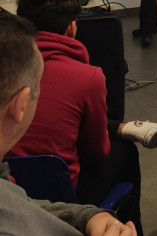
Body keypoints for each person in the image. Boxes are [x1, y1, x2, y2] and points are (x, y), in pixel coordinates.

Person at [9, 0, 157, 236]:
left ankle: (121, 127)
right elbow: (97, 153)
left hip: (10, 185)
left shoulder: (8, 70)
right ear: (72, 28)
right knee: (126, 150)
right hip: (66, 193)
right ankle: (131, 226)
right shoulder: (88, 77)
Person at [0, 13, 137, 236]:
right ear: (21, 104)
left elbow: (19, 203)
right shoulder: (89, 76)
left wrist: (87, 216)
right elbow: (97, 152)